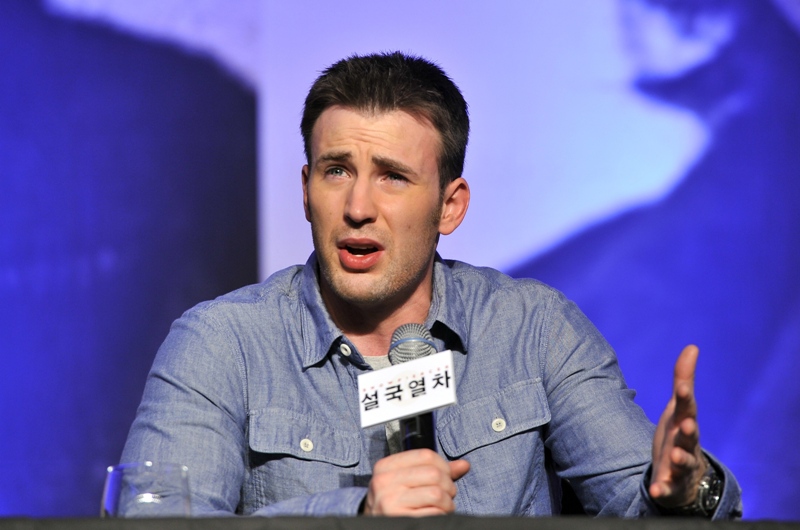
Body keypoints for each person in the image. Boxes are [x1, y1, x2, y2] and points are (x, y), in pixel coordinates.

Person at [121, 52, 742, 518]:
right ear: (306, 191)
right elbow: (155, 523)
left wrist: (688, 491)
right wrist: (353, 514)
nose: (357, 207)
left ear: (450, 206)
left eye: (392, 176)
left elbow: (644, 501)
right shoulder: (221, 343)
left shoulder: (532, 329)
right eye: (336, 171)